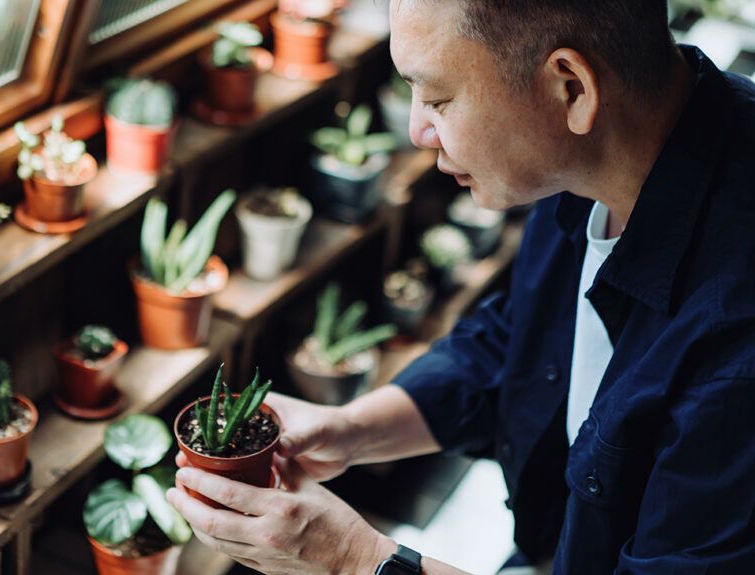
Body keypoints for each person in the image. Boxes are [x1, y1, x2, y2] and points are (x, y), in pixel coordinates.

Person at [166, 0, 755, 573]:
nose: (420, 130)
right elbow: (517, 341)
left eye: (439, 98)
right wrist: (350, 432)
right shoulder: (587, 163)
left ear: (571, 88)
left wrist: (351, 559)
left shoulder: (737, 341)